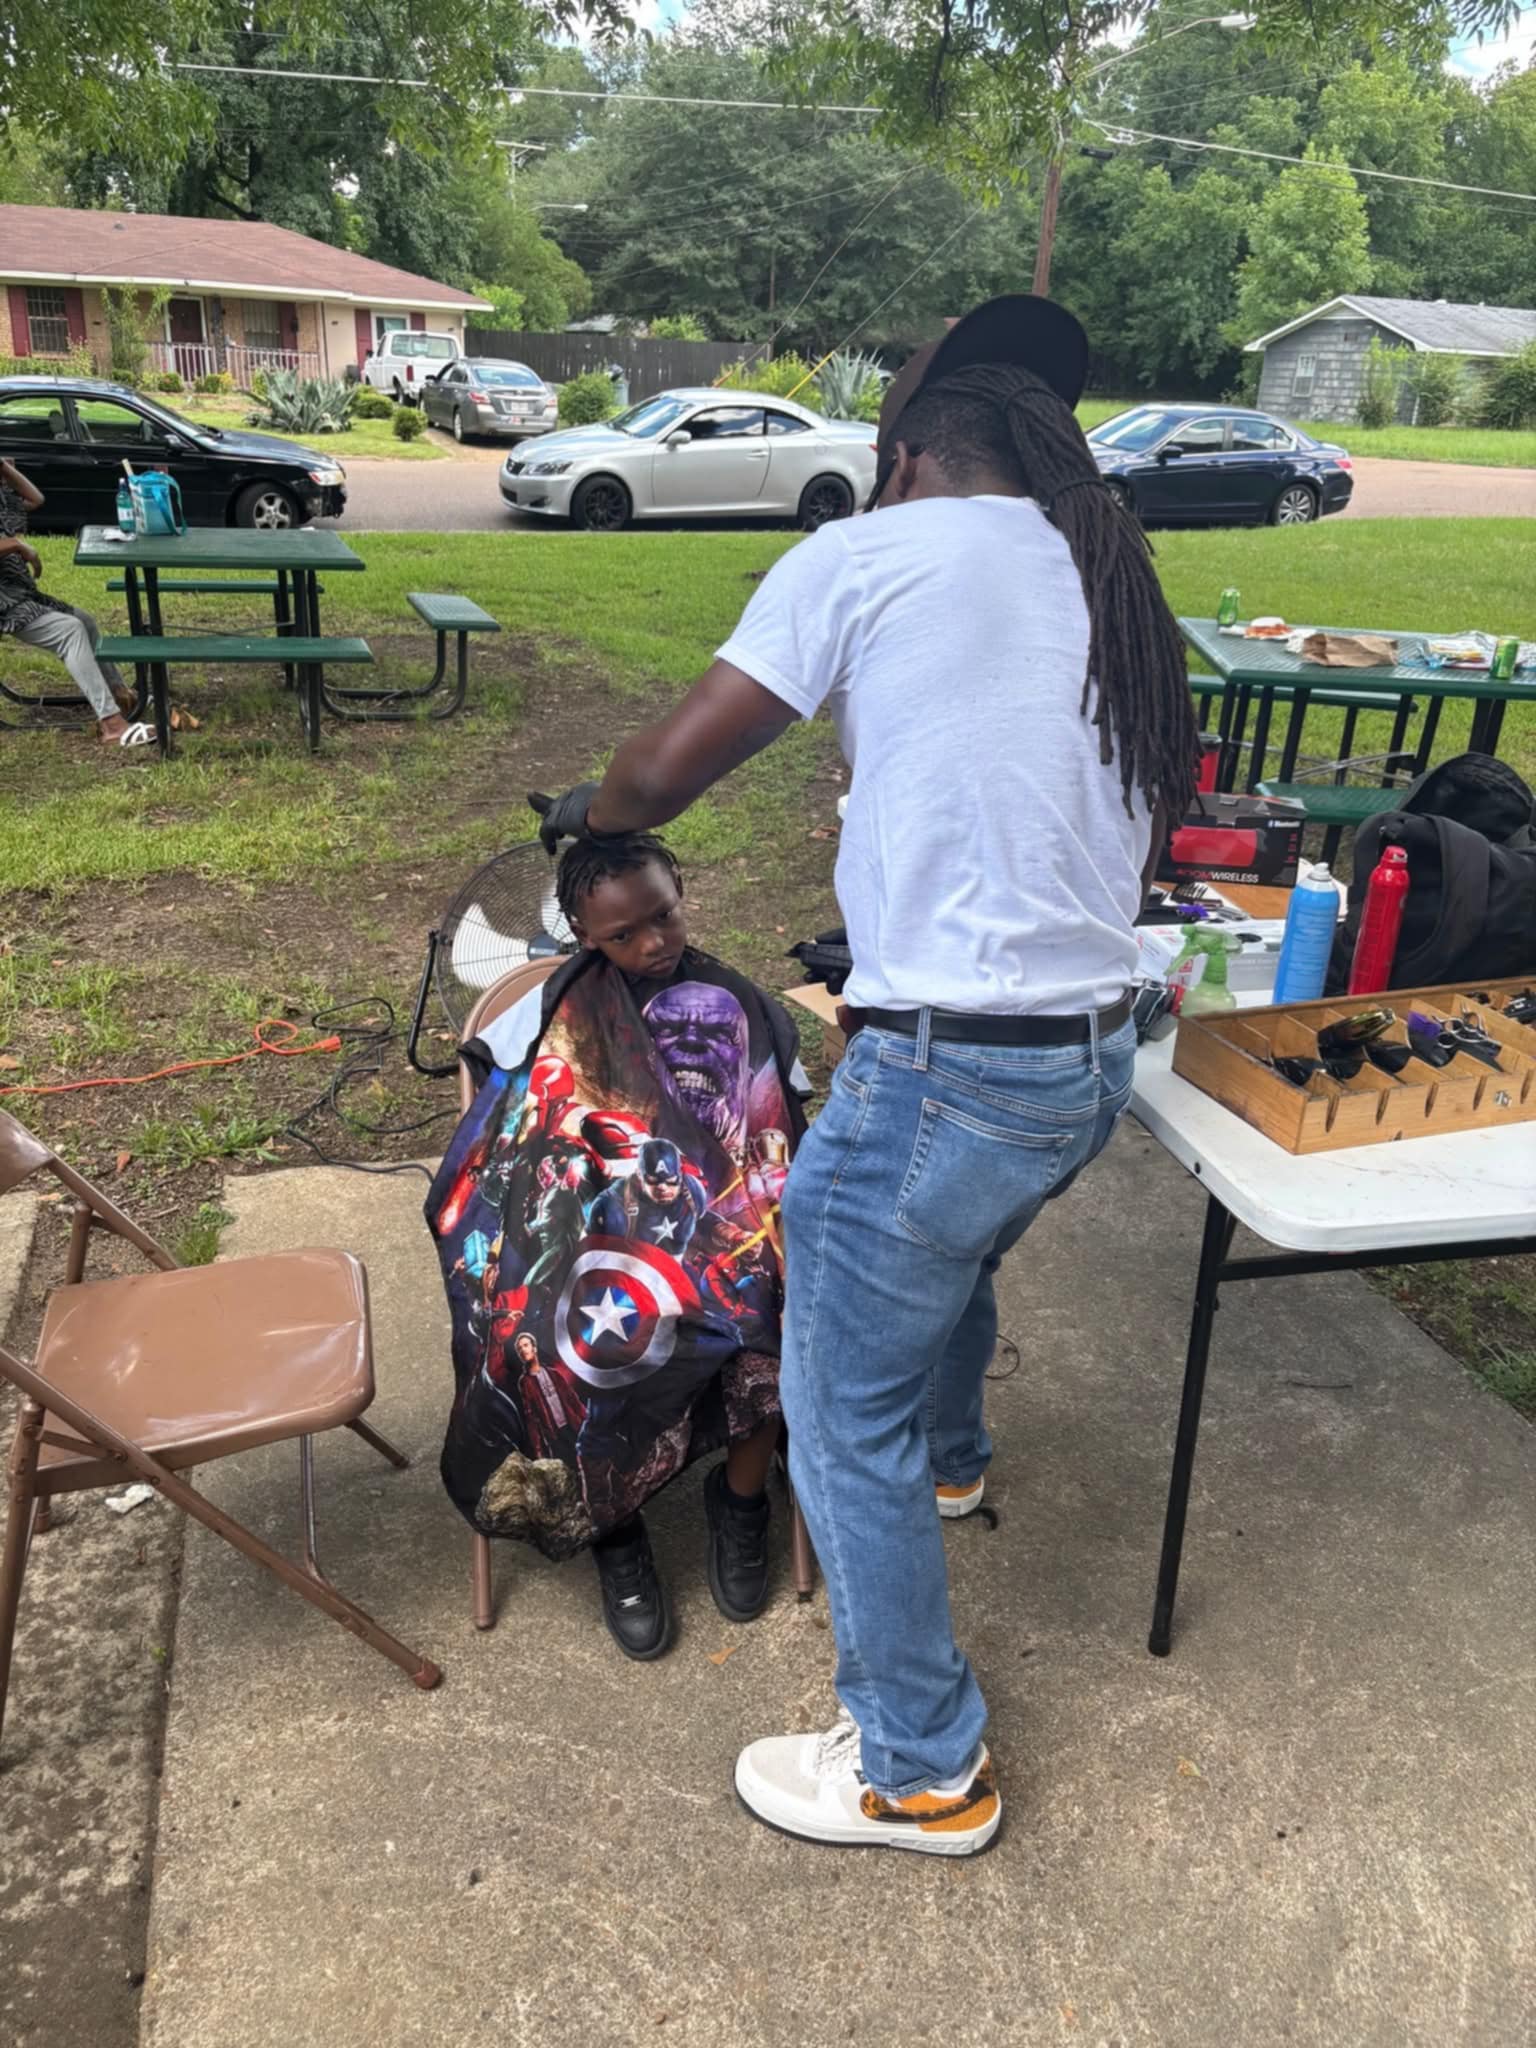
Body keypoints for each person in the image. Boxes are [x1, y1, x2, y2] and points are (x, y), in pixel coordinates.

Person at [533, 295, 1197, 1854]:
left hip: (958, 1071)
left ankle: (917, 1765)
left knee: (838, 1411)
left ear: (901, 461)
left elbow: (664, 770)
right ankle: (955, 1466)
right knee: (954, 1257)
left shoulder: (865, 554)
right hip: (1094, 1056)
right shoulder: (1102, 568)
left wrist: (595, 810)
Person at [427, 828, 810, 1660]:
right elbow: (502, 1140)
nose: (652, 943)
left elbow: (778, 1133)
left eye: (663, 916)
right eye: (622, 934)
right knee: (561, 1345)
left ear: (680, 889)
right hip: (588, 1232)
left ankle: (741, 1499)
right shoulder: (548, 1012)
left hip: (724, 1230)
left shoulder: (740, 1004)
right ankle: (613, 1528)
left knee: (780, 1322)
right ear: (579, 930)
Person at [0, 456, 148, 747]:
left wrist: (6, 469)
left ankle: (121, 695)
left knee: (85, 620)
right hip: (6, 605)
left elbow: (35, 498)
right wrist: (18, 545)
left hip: (20, 594)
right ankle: (112, 725)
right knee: (69, 630)